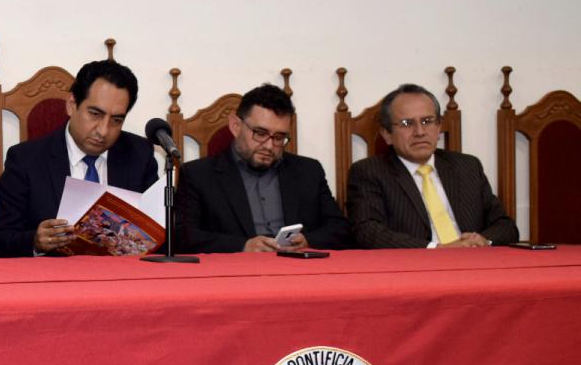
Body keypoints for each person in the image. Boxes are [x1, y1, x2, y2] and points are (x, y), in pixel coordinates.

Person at [0, 59, 158, 258]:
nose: (103, 131)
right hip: (54, 282)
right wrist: (35, 241)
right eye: (95, 114)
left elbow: (160, 234)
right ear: (71, 105)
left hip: (122, 279)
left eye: (116, 120)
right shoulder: (26, 160)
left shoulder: (139, 154)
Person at [178, 84, 350, 253]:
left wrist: (307, 241)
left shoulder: (309, 171)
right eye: (260, 133)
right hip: (236, 273)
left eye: (279, 137)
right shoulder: (198, 175)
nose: (269, 145)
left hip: (298, 272)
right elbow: (183, 237)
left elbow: (340, 229)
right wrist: (243, 246)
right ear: (236, 126)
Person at [346, 84, 517, 248]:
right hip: (415, 268)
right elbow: (367, 232)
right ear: (387, 134)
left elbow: (505, 226)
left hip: (475, 261)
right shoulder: (369, 172)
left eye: (427, 121)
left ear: (439, 127)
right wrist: (438, 249)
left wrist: (483, 241)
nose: (420, 132)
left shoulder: (467, 166)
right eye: (407, 124)